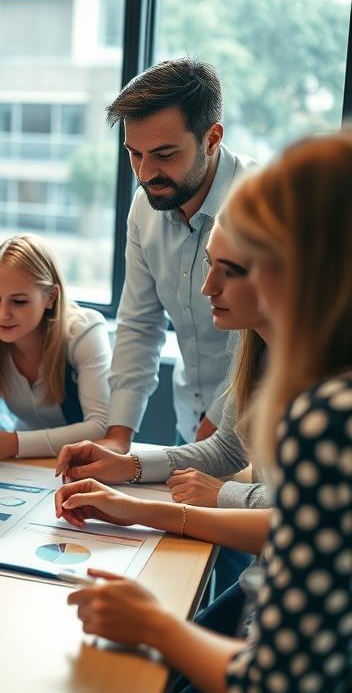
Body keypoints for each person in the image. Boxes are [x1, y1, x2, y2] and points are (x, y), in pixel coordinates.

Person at [55, 132, 352, 693]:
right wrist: (131, 477)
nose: (206, 287)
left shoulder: (328, 414)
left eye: (232, 269)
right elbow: (229, 456)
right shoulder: (268, 349)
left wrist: (157, 625)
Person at [55, 218, 271, 509]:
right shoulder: (258, 348)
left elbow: (305, 507)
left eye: (230, 272)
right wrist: (127, 465)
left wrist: (220, 494)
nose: (208, 288)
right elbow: (228, 449)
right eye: (209, 264)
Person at [101, 57, 257, 452]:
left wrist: (216, 429)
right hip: (188, 420)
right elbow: (139, 324)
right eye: (134, 153)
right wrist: (118, 439)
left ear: (212, 137)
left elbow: (267, 335)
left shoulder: (263, 205)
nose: (145, 172)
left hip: (255, 429)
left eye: (164, 154)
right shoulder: (144, 206)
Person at [0, 234, 112, 460]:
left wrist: (14, 443)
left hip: (82, 462)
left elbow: (101, 427)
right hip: (24, 463)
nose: (2, 314)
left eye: (18, 301)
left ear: (51, 297)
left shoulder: (85, 331)